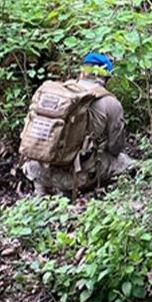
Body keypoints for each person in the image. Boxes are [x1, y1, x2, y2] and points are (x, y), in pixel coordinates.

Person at [21, 52, 135, 197]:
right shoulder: (110, 103)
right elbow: (115, 148)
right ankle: (86, 194)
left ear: (82, 71)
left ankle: (41, 195)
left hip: (36, 170)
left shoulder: (57, 93)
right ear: (106, 76)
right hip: (77, 177)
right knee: (126, 163)